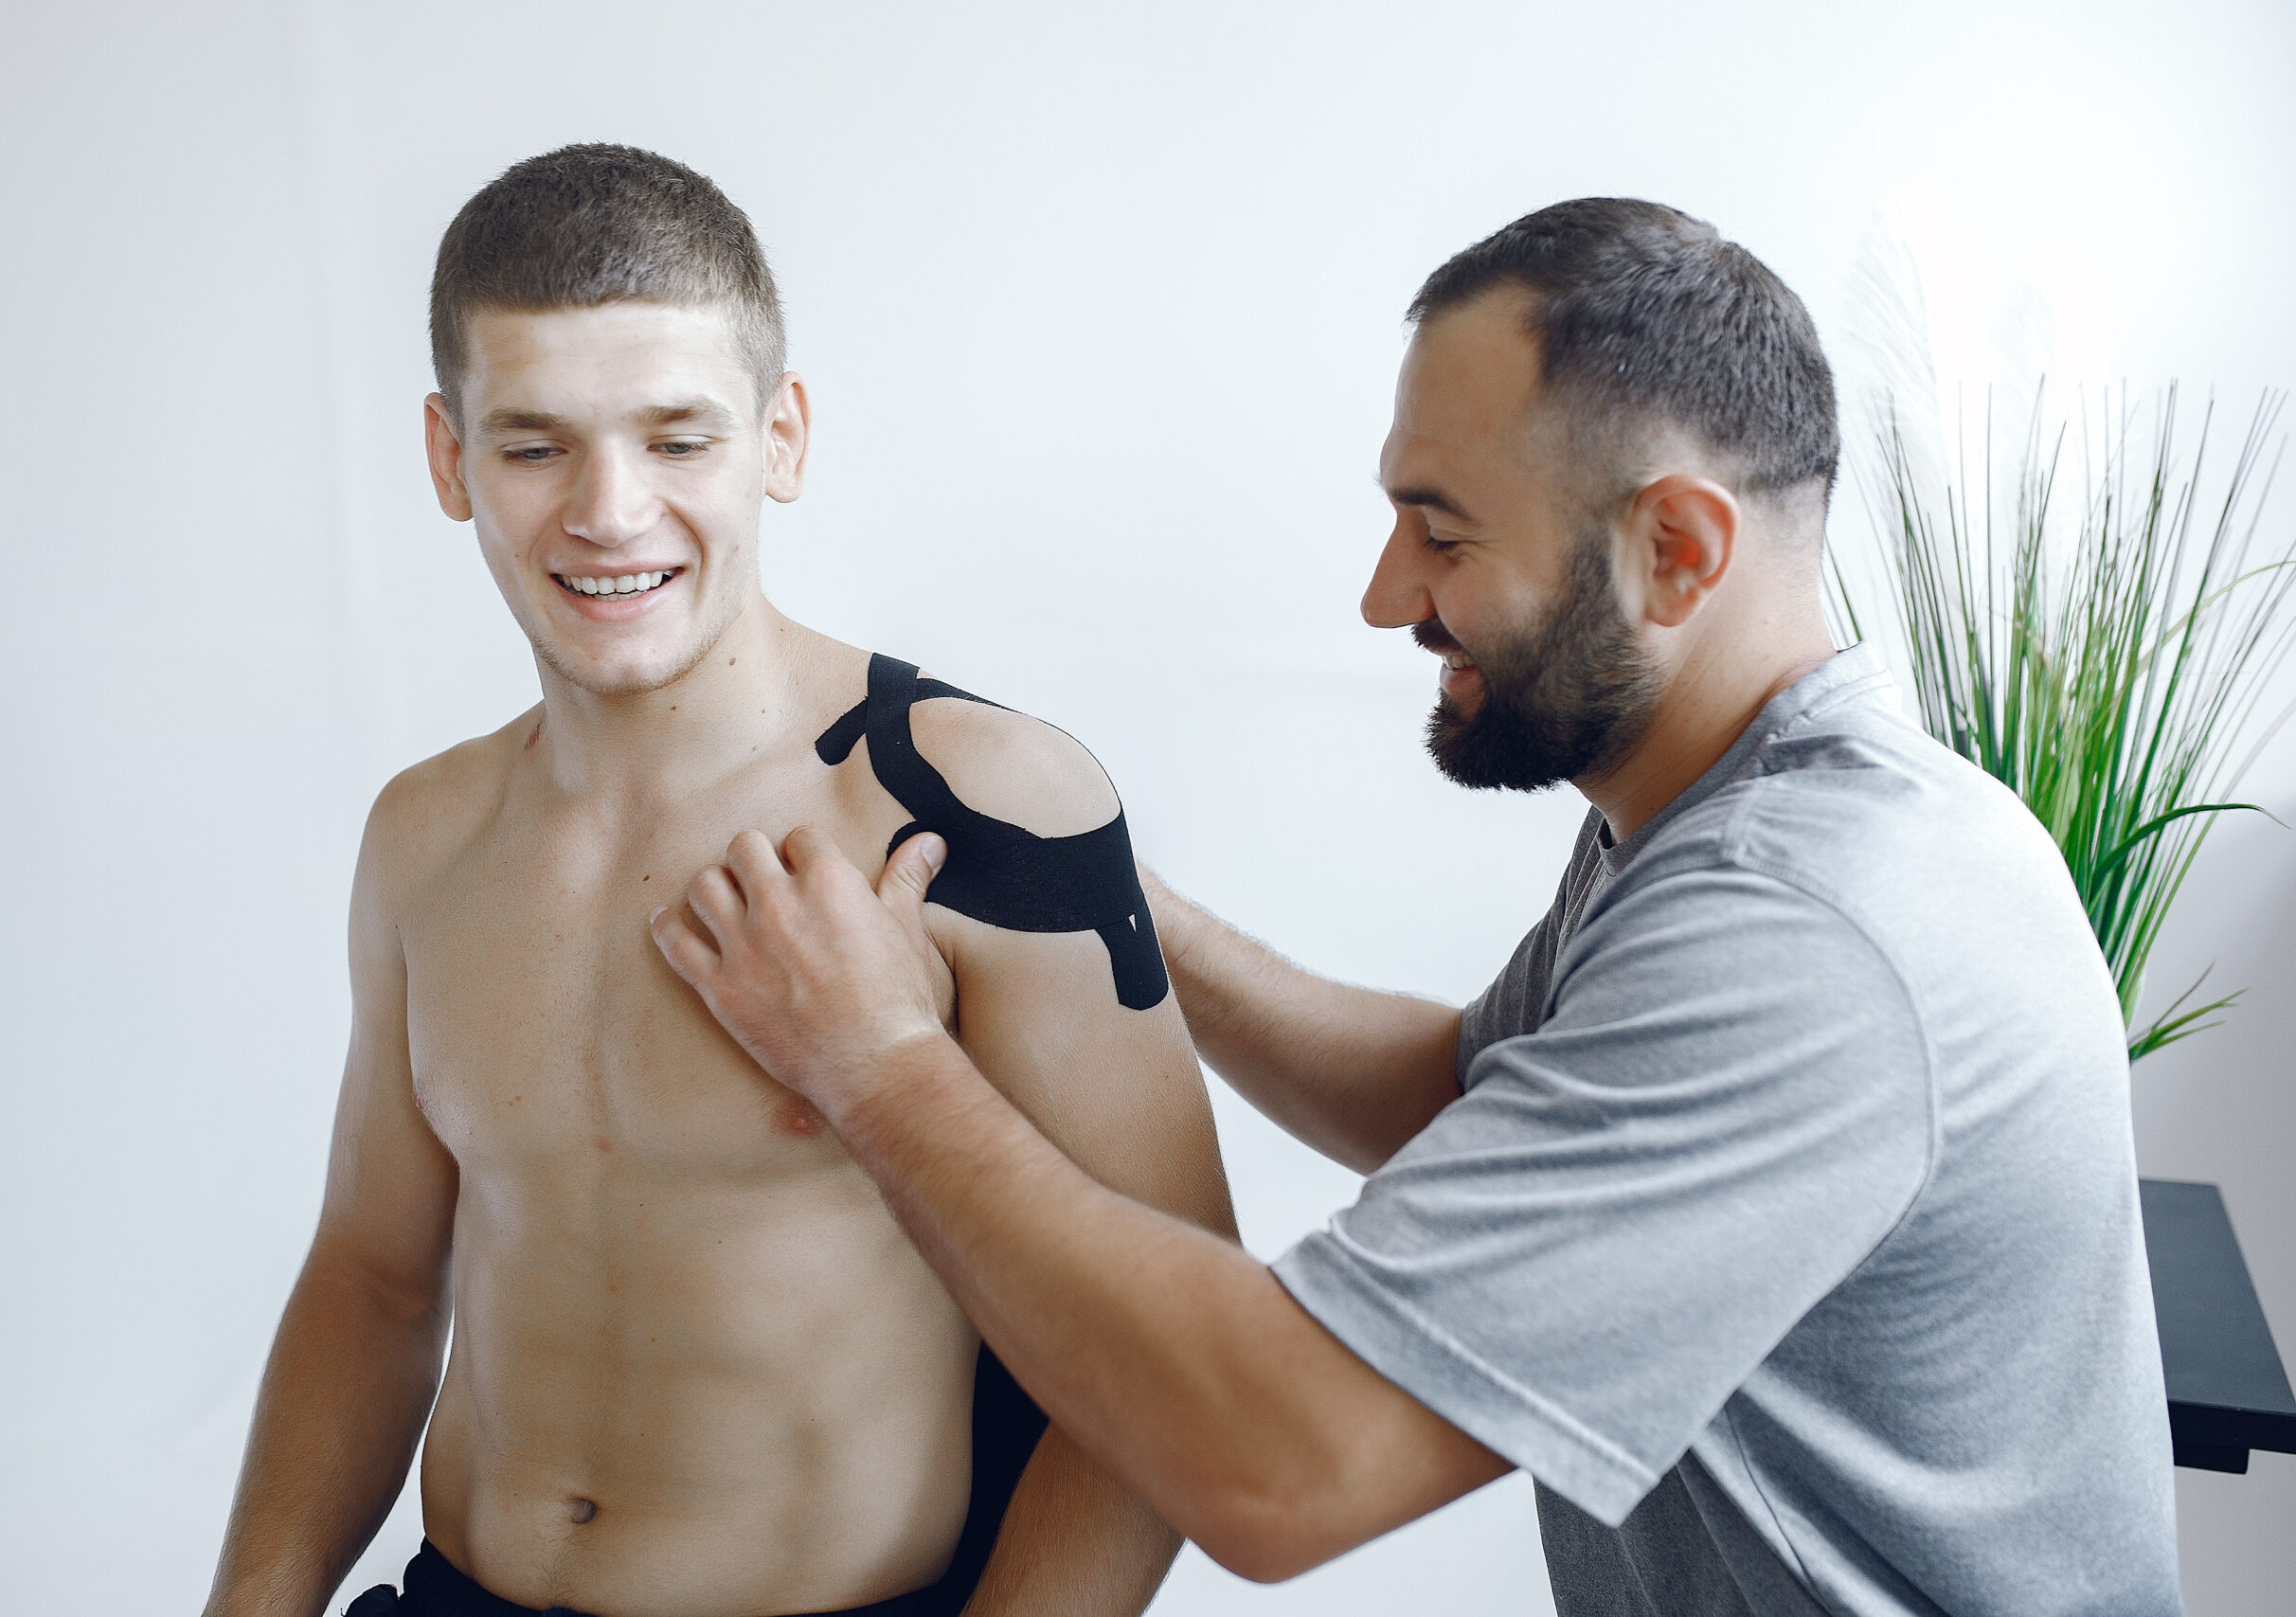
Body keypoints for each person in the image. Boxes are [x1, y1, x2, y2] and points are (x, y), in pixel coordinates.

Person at [654, 199, 2184, 1615]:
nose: (1387, 596)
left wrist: (872, 1060)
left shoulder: (1805, 930)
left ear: (1677, 551)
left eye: (1443, 534)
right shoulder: (1713, 816)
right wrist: (1096, 891)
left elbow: (1280, 1463)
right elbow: (1455, 1094)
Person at [203, 144, 1233, 1617]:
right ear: (449, 458)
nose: (610, 511)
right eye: (534, 446)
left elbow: (1179, 1362)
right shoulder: (425, 834)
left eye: (678, 440)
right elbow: (373, 1278)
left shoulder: (973, 807)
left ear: (781, 439)